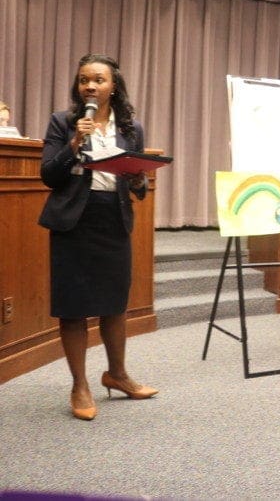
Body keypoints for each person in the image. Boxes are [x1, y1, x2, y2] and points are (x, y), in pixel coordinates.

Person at [38, 54, 157, 421]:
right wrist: (74, 143)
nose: (90, 86)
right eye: (84, 80)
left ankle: (117, 374)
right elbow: (49, 175)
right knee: (74, 308)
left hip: (112, 219)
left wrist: (139, 179)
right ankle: (80, 385)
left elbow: (137, 186)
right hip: (75, 220)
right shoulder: (64, 122)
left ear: (114, 86)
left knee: (114, 305)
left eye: (99, 80)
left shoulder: (131, 127)